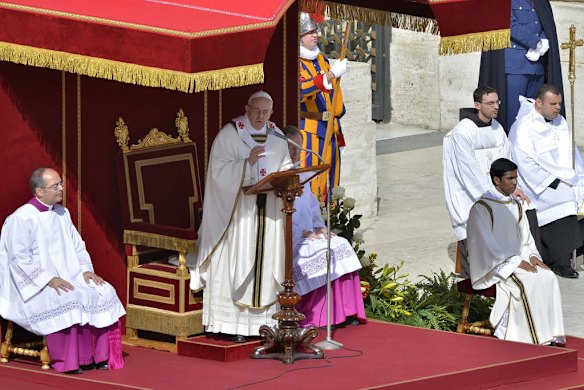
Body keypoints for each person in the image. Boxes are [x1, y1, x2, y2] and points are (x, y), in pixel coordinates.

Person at [188, 91, 292, 342]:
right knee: (239, 261)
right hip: (239, 215)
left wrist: (288, 174)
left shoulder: (277, 137)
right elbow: (218, 172)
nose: (260, 116)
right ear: (247, 108)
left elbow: (286, 165)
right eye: (256, 111)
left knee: (265, 264)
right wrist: (246, 164)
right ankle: (232, 324)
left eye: (265, 112)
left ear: (272, 113)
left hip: (269, 214)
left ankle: (265, 324)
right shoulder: (230, 134)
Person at [0, 168, 126, 374]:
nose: (61, 188)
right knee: (69, 296)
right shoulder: (21, 219)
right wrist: (48, 279)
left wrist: (85, 271)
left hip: (70, 274)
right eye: (55, 185)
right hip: (34, 285)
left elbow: (78, 246)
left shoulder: (62, 213)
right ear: (39, 191)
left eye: (61, 183)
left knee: (104, 290)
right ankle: (69, 361)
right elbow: (18, 260)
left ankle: (98, 356)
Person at [467, 158, 565, 345]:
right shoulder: (482, 208)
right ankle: (533, 339)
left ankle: (551, 334)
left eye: (516, 178)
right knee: (528, 282)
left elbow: (525, 238)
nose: (515, 183)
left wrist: (533, 256)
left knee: (547, 277)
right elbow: (484, 246)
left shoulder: (515, 205)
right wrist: (514, 262)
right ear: (496, 180)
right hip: (495, 266)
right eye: (510, 178)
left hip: (518, 259)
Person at [283, 126, 365, 328]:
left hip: (307, 234)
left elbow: (311, 207)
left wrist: (320, 227)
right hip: (290, 239)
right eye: (290, 148)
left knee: (340, 244)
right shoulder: (277, 178)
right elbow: (278, 213)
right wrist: (303, 232)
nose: (294, 153)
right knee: (324, 252)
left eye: (298, 148)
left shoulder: (302, 175)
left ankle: (346, 311)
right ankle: (321, 316)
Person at [443, 86, 528, 277]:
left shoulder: (497, 128)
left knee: (524, 207)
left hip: (496, 188)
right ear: (477, 105)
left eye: (497, 102)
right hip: (469, 192)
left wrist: (513, 187)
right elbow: (468, 172)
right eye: (490, 103)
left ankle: (513, 260)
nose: (496, 106)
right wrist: (495, 195)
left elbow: (508, 160)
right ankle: (474, 274)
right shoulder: (463, 132)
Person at [508, 84, 584, 279]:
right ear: (539, 102)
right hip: (537, 185)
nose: (557, 108)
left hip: (565, 178)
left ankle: (580, 247)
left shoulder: (560, 122)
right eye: (553, 104)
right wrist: (555, 183)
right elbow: (525, 164)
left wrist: (578, 178)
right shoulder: (523, 127)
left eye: (559, 104)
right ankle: (560, 260)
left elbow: (573, 155)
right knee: (566, 199)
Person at [479, 0, 564, 131]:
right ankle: (512, 149)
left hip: (537, 66)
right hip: (516, 66)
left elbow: (546, 23)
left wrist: (543, 42)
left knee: (535, 117)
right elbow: (509, 24)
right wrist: (536, 43)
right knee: (514, 116)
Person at [299, 12, 347, 198]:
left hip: (331, 128)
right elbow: (300, 90)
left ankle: (333, 221)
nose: (314, 35)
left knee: (333, 180)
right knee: (312, 181)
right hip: (310, 129)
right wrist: (330, 76)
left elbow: (333, 96)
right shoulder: (297, 62)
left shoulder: (321, 59)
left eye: (315, 30)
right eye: (308, 32)